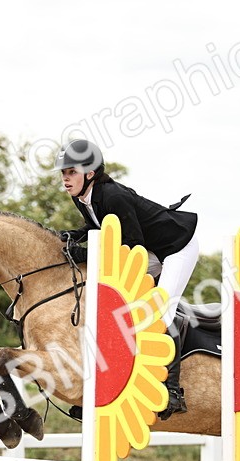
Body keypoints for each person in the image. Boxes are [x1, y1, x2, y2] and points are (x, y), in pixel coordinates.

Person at [55, 139, 198, 419]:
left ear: (90, 173)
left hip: (177, 247)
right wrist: (74, 234)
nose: (65, 179)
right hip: (149, 248)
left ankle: (172, 390)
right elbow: (97, 225)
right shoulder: (83, 196)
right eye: (63, 173)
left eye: (71, 172)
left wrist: (84, 253)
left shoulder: (113, 195)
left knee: (159, 309)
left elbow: (133, 247)